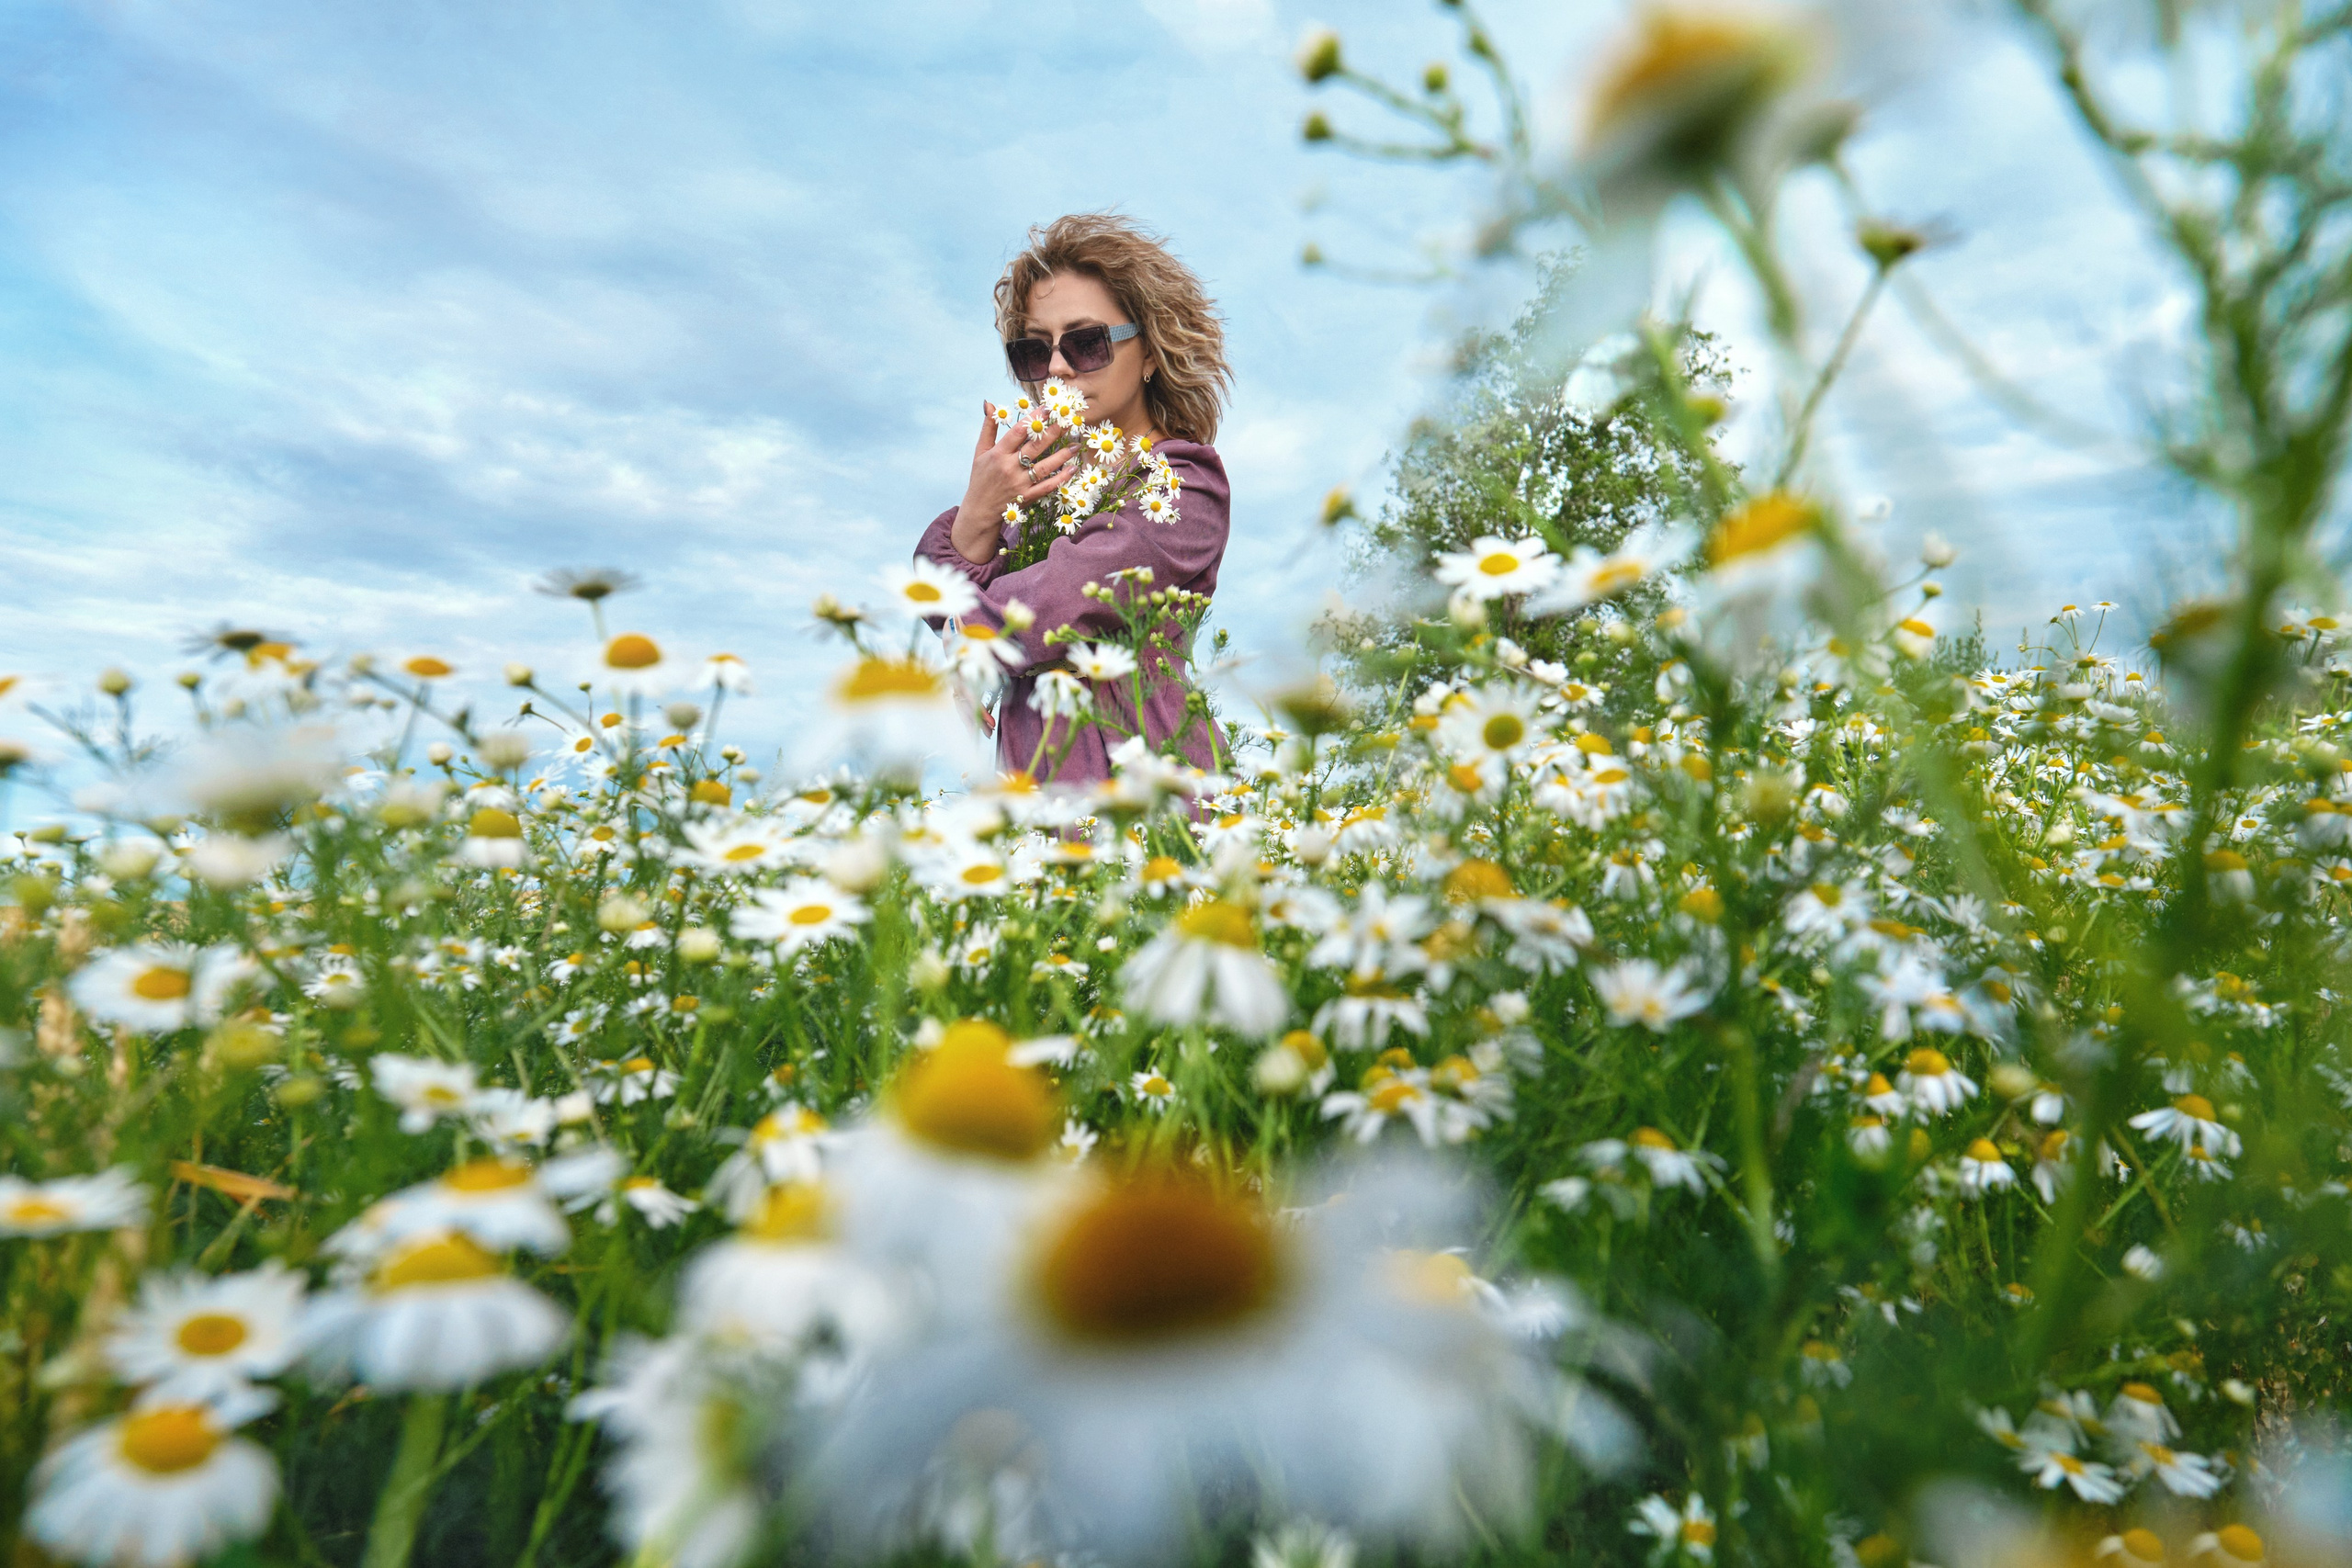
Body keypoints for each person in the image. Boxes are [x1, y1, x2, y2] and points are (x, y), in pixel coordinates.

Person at [913, 212, 1232, 789]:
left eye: (1086, 344)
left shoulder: (1184, 484)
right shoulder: (1042, 486)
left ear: (1152, 353)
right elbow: (936, 595)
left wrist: (964, 651)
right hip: (1034, 798)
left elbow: (1063, 596)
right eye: (1034, 352)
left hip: (1145, 797)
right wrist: (982, 507)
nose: (1057, 367)